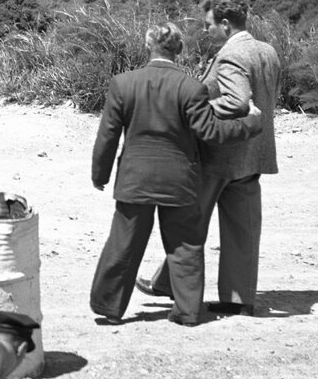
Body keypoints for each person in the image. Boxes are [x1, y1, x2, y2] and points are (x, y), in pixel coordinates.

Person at [90, 22, 263, 326]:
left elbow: (108, 136)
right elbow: (210, 131)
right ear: (179, 50)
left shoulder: (123, 83)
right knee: (185, 247)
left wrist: (99, 174)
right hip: (179, 180)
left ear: (147, 46)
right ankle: (187, 312)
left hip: (135, 179)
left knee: (124, 244)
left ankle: (109, 308)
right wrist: (249, 124)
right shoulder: (189, 87)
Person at [140, 0, 280, 316]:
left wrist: (194, 113)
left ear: (226, 24)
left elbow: (236, 101)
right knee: (243, 229)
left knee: (188, 224)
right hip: (253, 155)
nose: (205, 30)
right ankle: (238, 298)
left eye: (208, 25)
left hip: (218, 155)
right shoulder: (268, 51)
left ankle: (172, 285)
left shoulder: (231, 55)